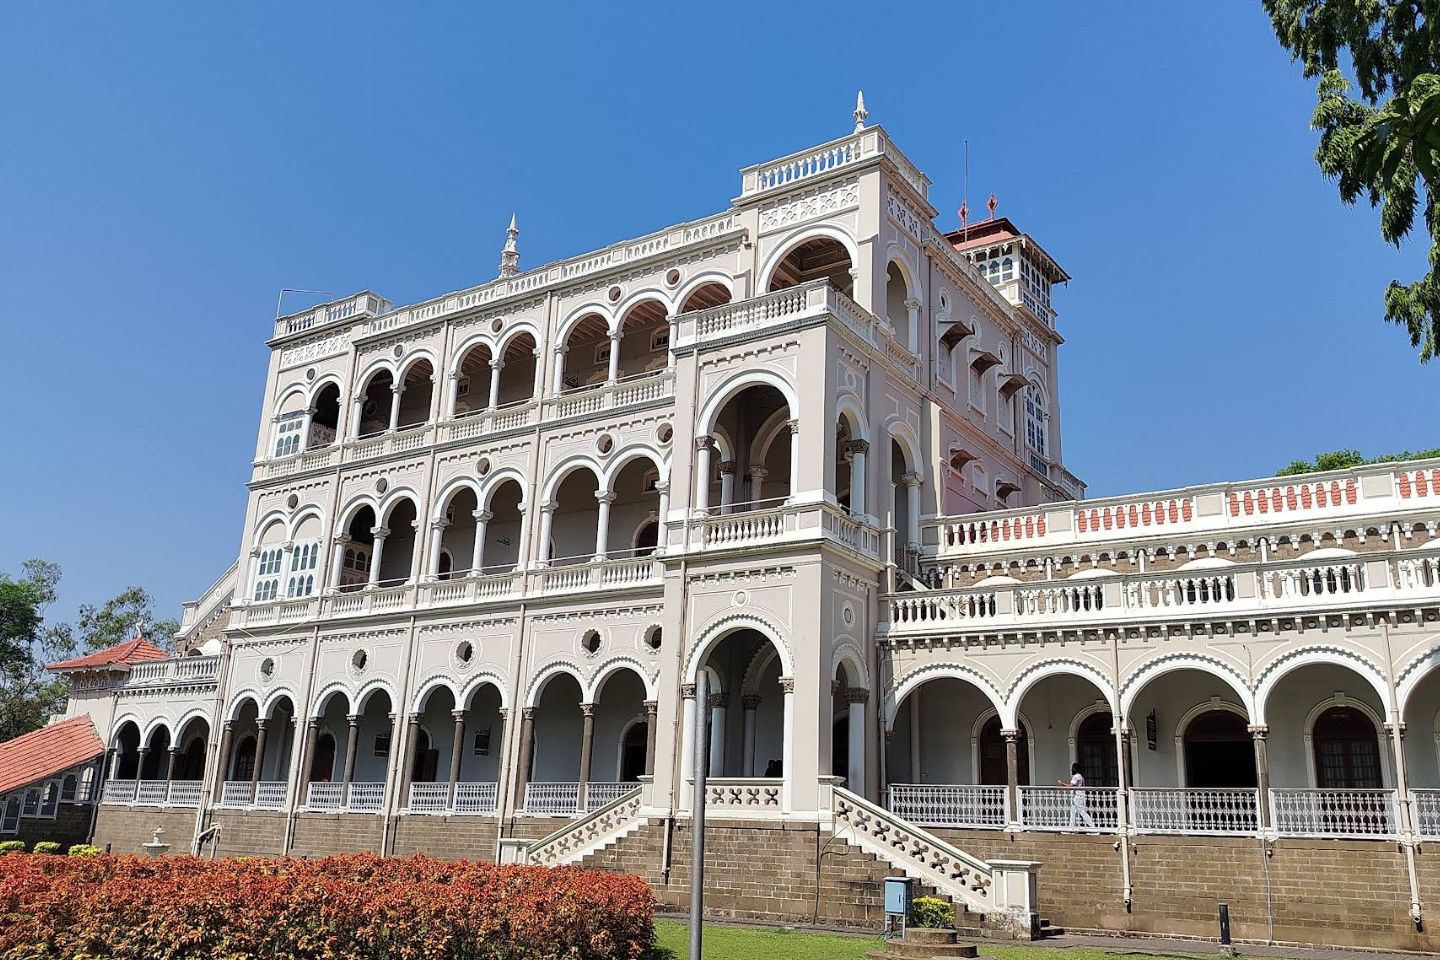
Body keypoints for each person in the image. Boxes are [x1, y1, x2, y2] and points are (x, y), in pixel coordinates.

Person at [1059, 762, 1095, 829]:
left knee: (1082, 812)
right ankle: (1071, 828)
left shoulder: (1076, 776)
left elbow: (1071, 786)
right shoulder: (1080, 776)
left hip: (1078, 797)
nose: (1071, 770)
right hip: (1078, 796)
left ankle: (1093, 827)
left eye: (1072, 768)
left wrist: (1062, 783)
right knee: (1073, 813)